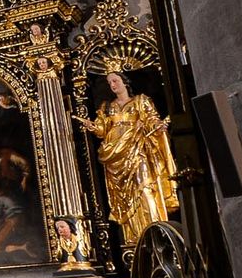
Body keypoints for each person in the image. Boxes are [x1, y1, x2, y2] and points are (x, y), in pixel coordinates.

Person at [76, 70, 180, 243]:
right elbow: (102, 129)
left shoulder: (140, 101)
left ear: (125, 82)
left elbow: (151, 119)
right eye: (110, 83)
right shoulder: (107, 107)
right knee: (126, 198)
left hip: (137, 148)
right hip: (115, 154)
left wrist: (156, 125)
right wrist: (93, 127)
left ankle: (157, 231)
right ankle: (135, 238)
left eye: (115, 80)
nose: (112, 85)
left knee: (146, 188)